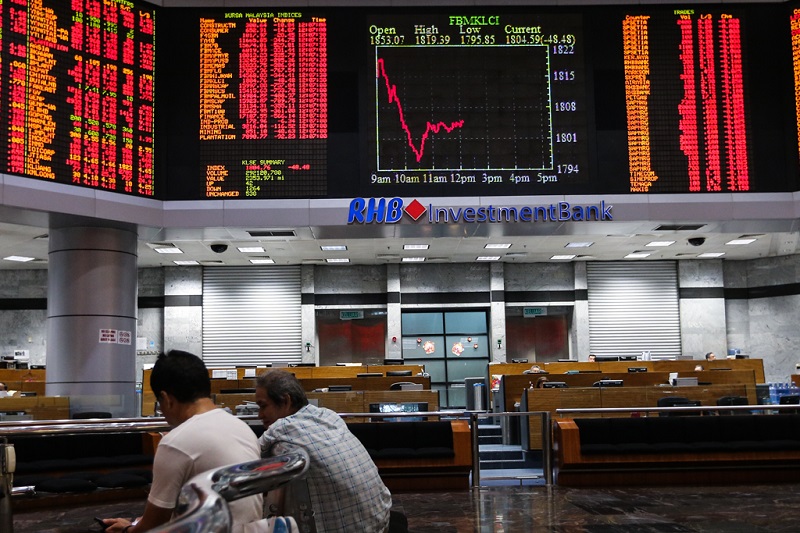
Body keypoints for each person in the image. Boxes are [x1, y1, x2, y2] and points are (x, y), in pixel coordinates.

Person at [101, 350, 262, 533]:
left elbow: (152, 527)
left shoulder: (176, 442)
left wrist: (126, 529)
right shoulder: (243, 429)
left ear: (167, 399)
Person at [255, 370, 392, 533]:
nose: (259, 415)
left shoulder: (282, 429)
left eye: (263, 406)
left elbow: (245, 463)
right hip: (382, 521)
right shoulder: (329, 416)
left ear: (285, 401)